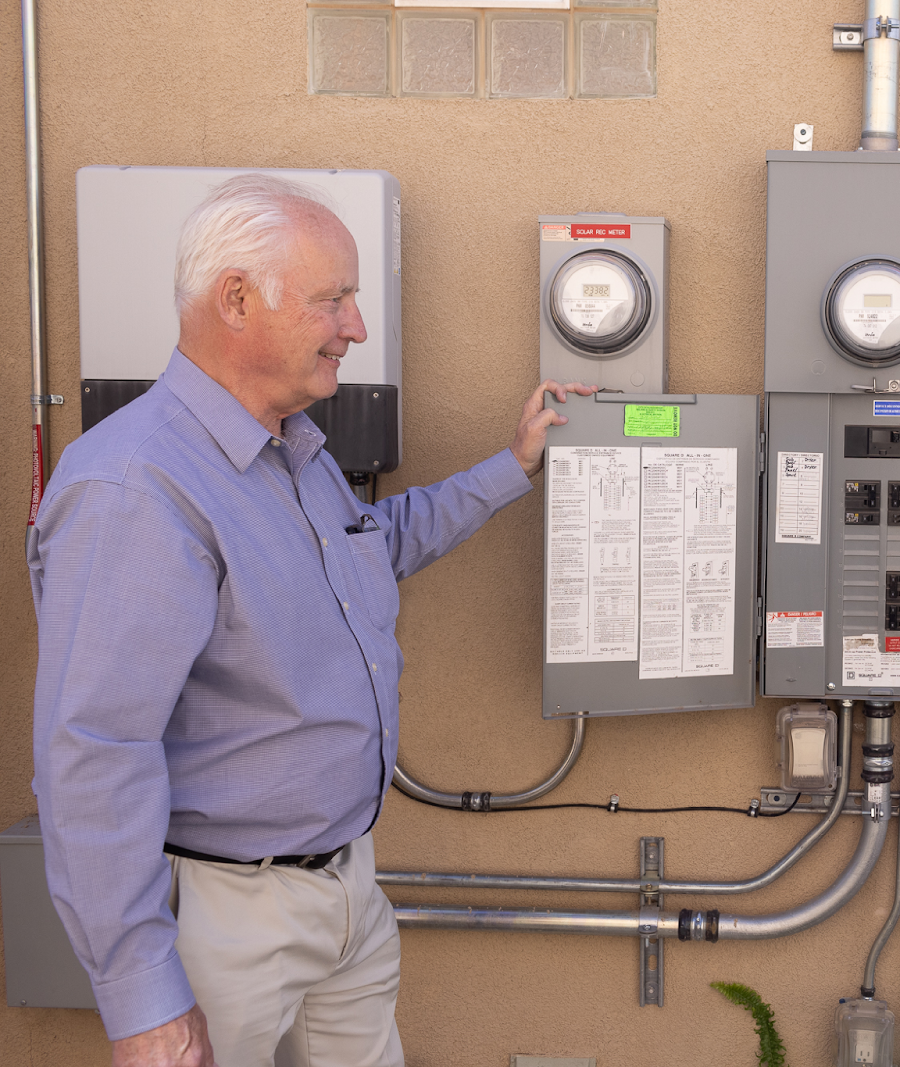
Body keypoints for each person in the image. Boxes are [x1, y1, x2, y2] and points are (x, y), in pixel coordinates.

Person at [29, 173, 592, 1067]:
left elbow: (378, 542)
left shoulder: (292, 451)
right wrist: (143, 998)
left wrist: (511, 466)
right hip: (224, 918)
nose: (358, 327)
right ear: (238, 299)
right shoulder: (136, 488)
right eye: (334, 300)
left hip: (344, 891)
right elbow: (94, 750)